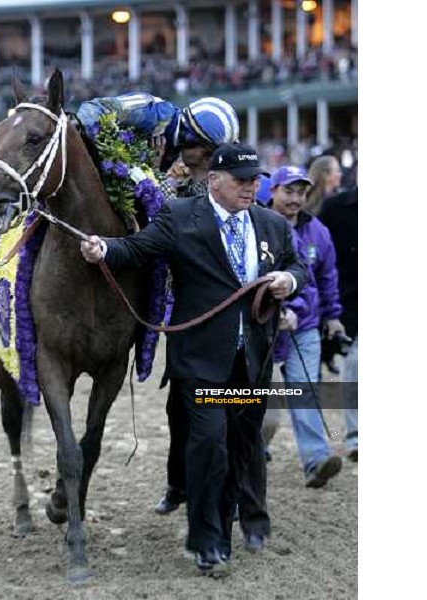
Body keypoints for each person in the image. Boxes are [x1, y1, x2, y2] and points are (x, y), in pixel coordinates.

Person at [80, 143, 308, 576]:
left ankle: (252, 519)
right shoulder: (181, 217)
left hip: (253, 360)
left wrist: (287, 279)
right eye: (242, 180)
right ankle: (208, 540)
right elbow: (137, 248)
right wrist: (103, 249)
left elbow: (299, 266)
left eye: (255, 179)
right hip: (201, 361)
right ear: (214, 181)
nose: (251, 187)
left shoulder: (272, 224)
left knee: (247, 444)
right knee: (208, 446)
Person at [153, 107, 240, 516]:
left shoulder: (238, 188)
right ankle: (178, 483)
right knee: (179, 409)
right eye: (183, 144)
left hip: (232, 313)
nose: (184, 153)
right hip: (187, 312)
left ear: (212, 150)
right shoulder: (177, 187)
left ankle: (233, 491)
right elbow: (155, 223)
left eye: (192, 146)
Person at [267, 165, 345, 487]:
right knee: (259, 401)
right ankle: (251, 450)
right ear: (273, 191)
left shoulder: (318, 232)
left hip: (304, 326)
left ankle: (315, 458)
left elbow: (325, 278)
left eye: (301, 192)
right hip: (263, 330)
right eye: (289, 191)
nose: (295, 199)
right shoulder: (255, 225)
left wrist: (333, 315)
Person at [77, 93, 240, 173]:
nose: (207, 163)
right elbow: (92, 109)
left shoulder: (176, 150)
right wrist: (111, 153)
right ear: (190, 138)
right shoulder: (150, 110)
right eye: (208, 154)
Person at [319, 185, 358, 461]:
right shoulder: (335, 208)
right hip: (349, 302)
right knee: (355, 364)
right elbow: (321, 257)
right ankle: (356, 435)